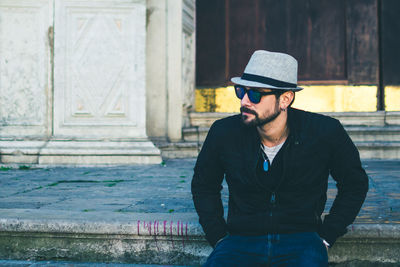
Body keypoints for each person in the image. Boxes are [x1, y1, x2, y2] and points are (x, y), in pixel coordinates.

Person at [191, 50, 369, 266]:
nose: (245, 100)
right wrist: (218, 237)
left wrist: (326, 236)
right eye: (241, 91)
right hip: (240, 241)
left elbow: (355, 184)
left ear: (285, 99)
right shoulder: (224, 132)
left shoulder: (323, 132)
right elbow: (204, 185)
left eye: (255, 94)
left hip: (302, 241)